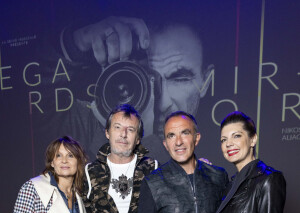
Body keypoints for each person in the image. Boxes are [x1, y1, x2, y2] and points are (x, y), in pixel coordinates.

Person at [58, 16, 212, 162]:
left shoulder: (215, 161)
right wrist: (74, 44)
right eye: (147, 80)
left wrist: (143, 138)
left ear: (205, 81)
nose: (162, 103)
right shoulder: (91, 124)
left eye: (179, 79)